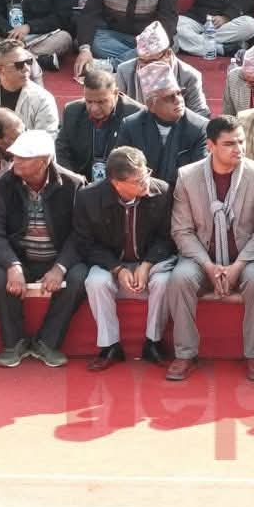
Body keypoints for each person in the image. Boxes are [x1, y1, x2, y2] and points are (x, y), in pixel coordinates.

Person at [165, 118, 254, 382]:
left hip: (247, 258)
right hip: (202, 257)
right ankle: (185, 354)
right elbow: (182, 231)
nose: (238, 149)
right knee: (180, 278)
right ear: (210, 146)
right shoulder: (187, 176)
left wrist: (238, 266)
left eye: (241, 141)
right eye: (229, 144)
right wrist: (208, 266)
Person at [0, 128, 89, 368]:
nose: (15, 160)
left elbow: (81, 234)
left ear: (43, 161)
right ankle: (13, 343)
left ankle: (47, 342)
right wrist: (12, 264)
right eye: (15, 155)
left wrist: (60, 267)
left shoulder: (73, 184)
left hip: (57, 257)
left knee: (79, 276)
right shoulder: (0, 183)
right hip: (19, 256)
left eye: (23, 157)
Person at [77, 144, 176, 371]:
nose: (146, 182)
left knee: (164, 281)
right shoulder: (88, 197)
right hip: (110, 261)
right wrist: (117, 269)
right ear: (116, 183)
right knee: (96, 282)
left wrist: (147, 265)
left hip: (151, 260)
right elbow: (86, 244)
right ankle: (110, 346)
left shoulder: (162, 191)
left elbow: (168, 238)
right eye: (138, 181)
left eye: (146, 173)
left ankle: (153, 342)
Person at [116, 61, 209, 180]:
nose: (178, 100)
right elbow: (121, 167)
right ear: (151, 105)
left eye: (179, 93)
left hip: (182, 188)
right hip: (142, 187)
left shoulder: (199, 128)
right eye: (169, 97)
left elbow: (199, 174)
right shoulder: (131, 126)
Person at [0, 39, 59, 140]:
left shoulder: (44, 99)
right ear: (0, 69)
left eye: (29, 61)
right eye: (19, 65)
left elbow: (46, 142)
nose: (27, 68)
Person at [56, 67, 140, 183]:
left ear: (115, 93)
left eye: (101, 102)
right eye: (89, 101)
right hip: (80, 181)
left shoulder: (135, 114)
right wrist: (73, 181)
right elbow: (62, 151)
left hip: (121, 183)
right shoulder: (72, 111)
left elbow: (139, 161)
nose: (94, 108)